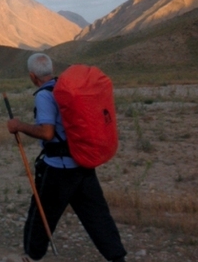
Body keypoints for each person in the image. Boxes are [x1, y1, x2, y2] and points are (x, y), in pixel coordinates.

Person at [7, 53, 127, 262]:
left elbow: (47, 133)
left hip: (58, 168)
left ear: (33, 76)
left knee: (41, 213)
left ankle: (32, 256)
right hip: (82, 161)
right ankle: (117, 257)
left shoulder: (44, 95)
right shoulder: (67, 89)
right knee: (97, 215)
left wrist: (19, 126)